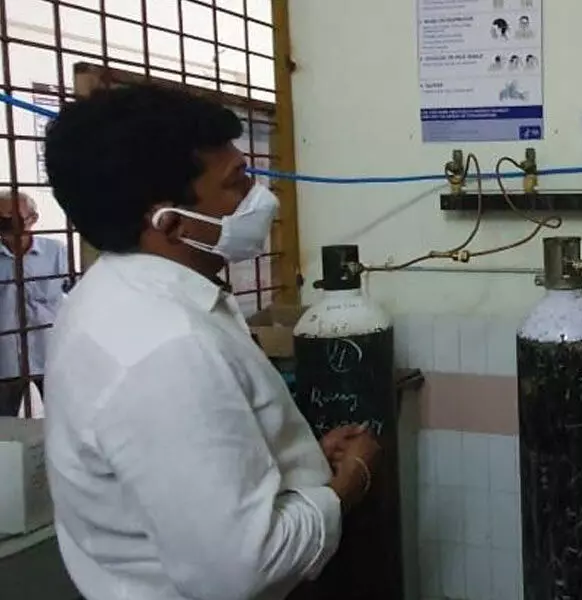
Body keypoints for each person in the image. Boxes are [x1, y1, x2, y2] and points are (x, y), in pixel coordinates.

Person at [42, 83, 381, 600]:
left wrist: (296, 460)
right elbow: (245, 569)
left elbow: (188, 473)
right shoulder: (167, 351)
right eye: (236, 183)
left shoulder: (111, 295)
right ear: (170, 222)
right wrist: (347, 485)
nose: (259, 198)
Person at [0, 191, 67, 416]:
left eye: (13, 218)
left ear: (33, 219)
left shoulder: (56, 252)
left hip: (49, 353)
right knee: (4, 424)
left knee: (65, 416)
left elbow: (78, 292)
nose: (6, 224)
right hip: (5, 359)